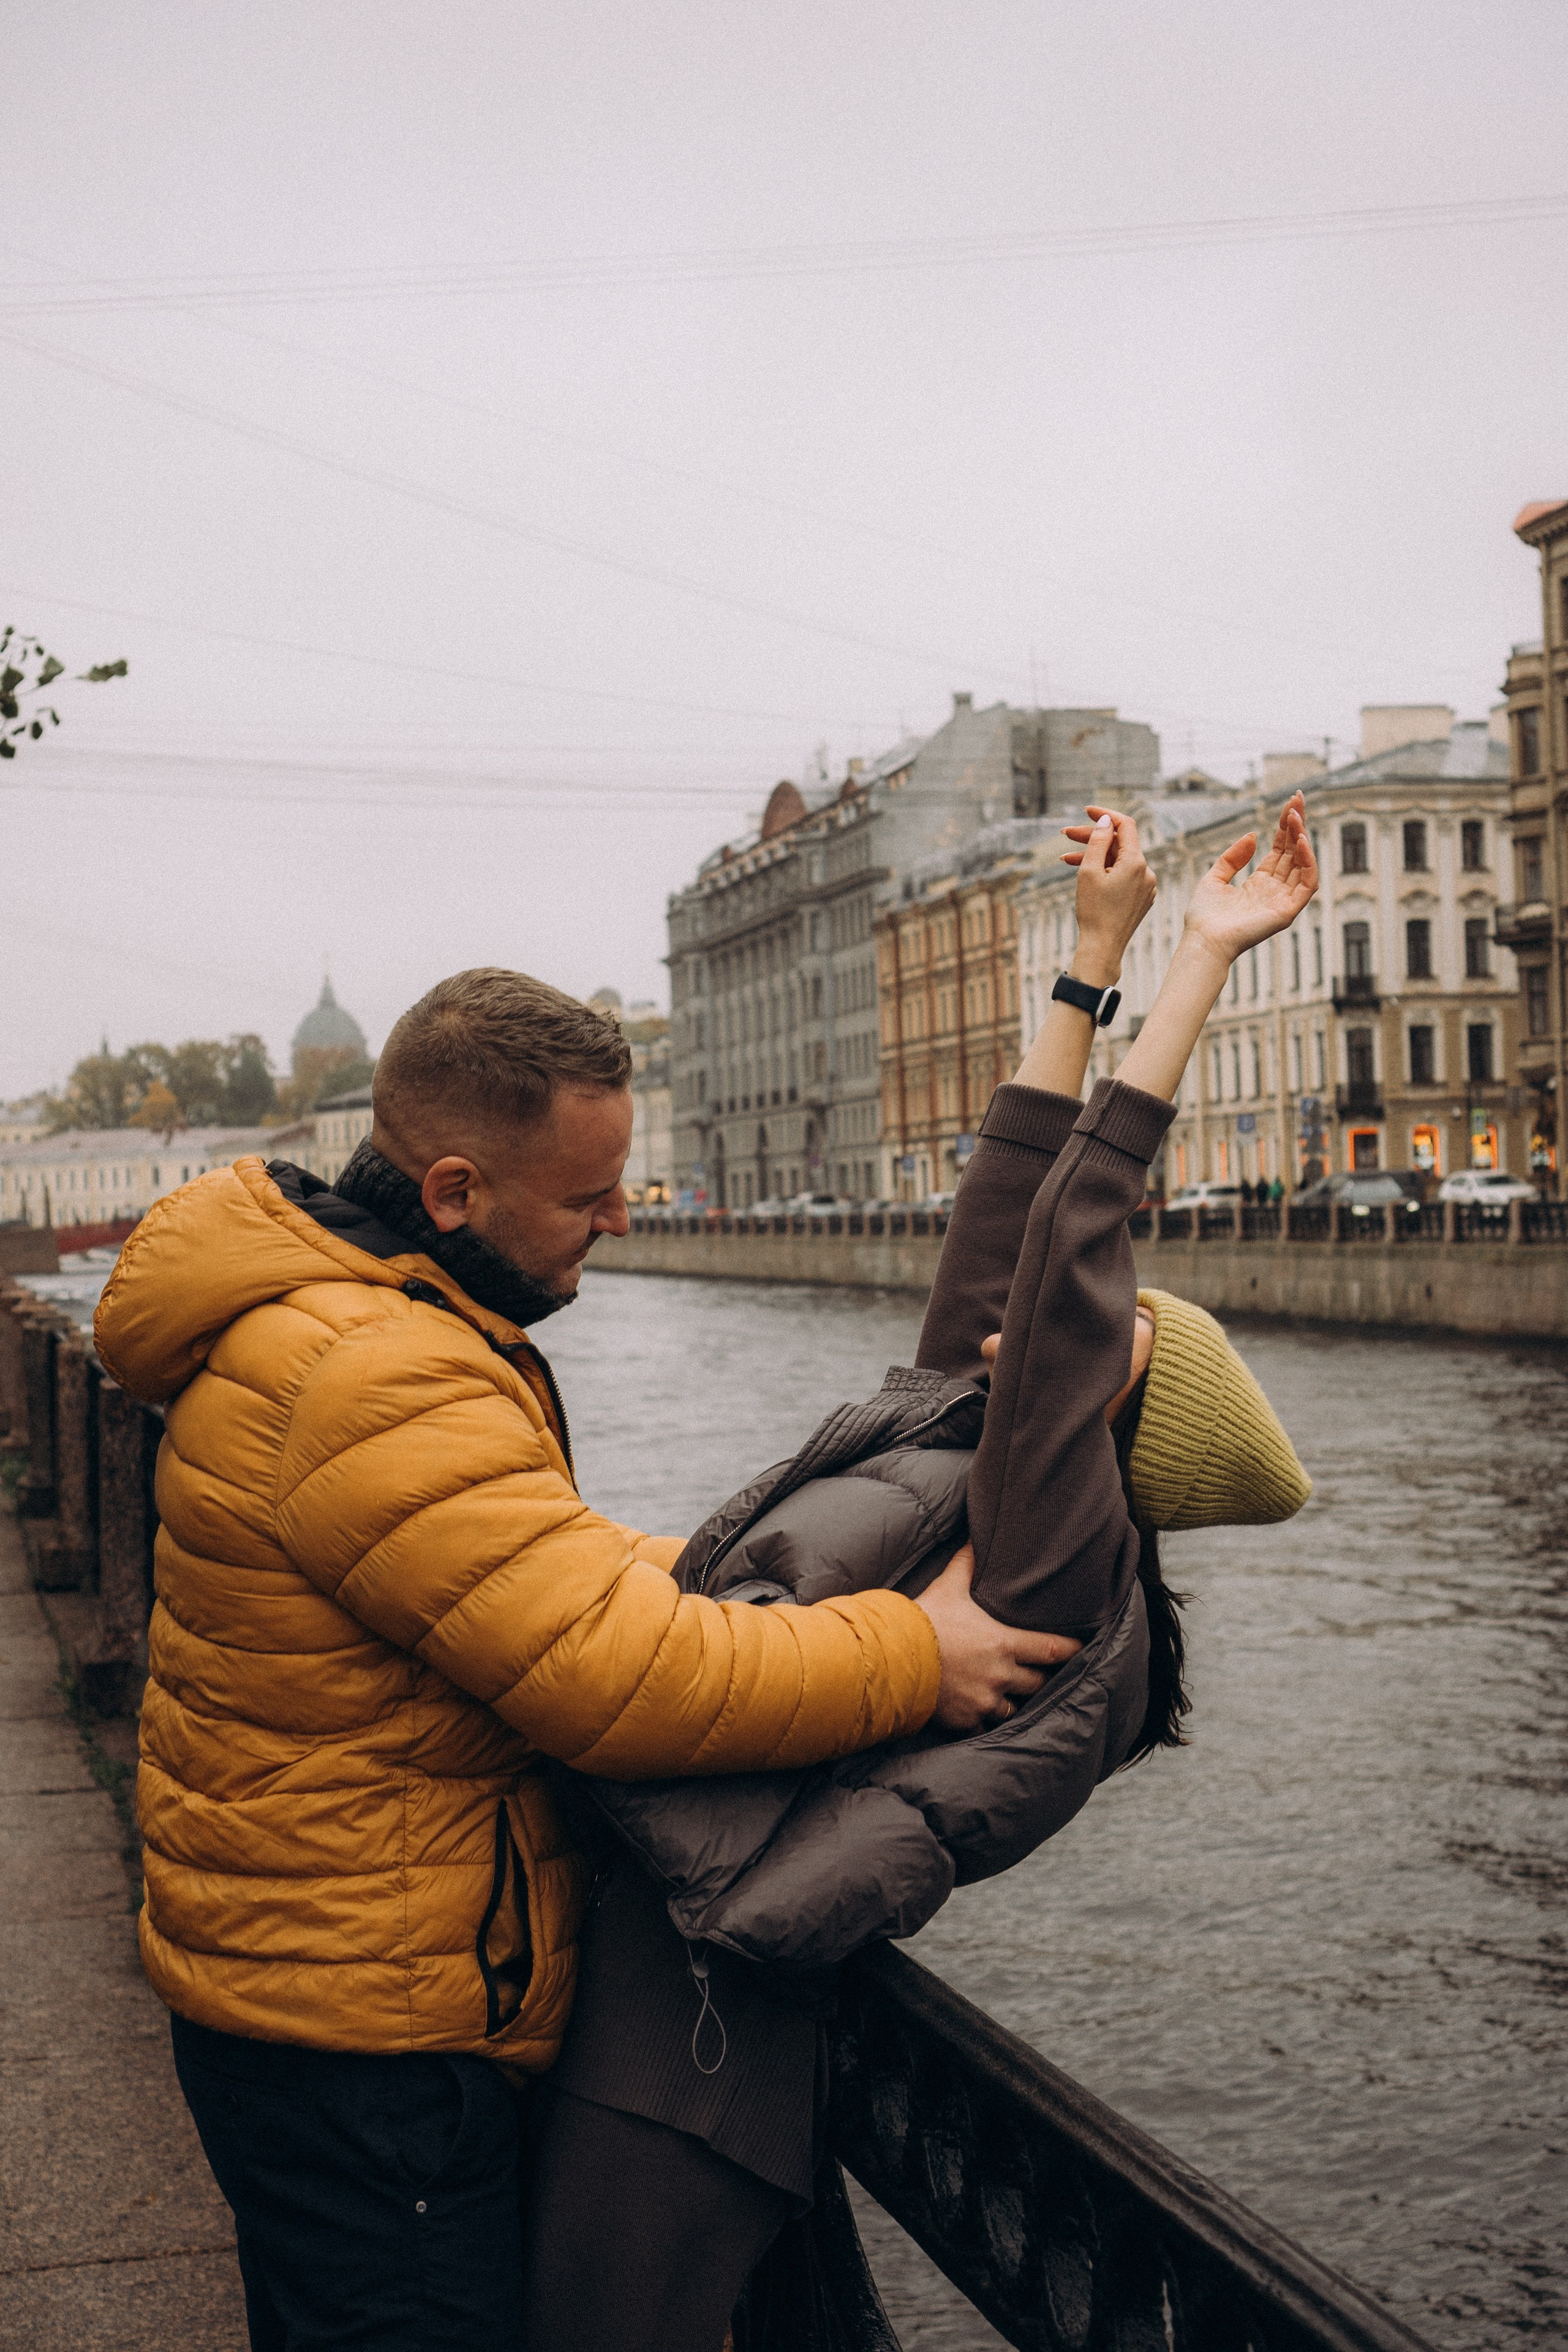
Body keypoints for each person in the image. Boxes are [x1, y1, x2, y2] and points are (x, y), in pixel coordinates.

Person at [92, 970, 1068, 2352]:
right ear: (451, 1191)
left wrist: (748, 1580)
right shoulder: (372, 1371)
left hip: (319, 1978)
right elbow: (619, 1681)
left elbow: (532, 1566)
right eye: (584, 1195)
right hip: (372, 2034)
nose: (621, 1217)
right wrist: (916, 1653)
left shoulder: (355, 1315)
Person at [532, 796, 1319, 2348]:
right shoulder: (958, 1447)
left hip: (689, 2039)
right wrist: (1091, 958)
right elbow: (1008, 1211)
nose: (1083, 1311)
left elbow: (1071, 1237)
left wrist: (1204, 962)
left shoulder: (1053, 1557)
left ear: (1108, 1403)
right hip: (657, 1957)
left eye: (1116, 1329)